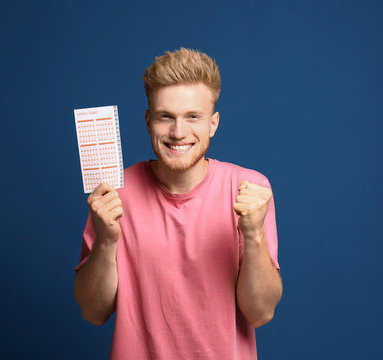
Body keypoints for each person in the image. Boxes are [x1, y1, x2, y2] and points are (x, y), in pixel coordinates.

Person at [73, 47, 282, 359]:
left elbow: (261, 313)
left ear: (213, 123)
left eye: (193, 117)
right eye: (165, 117)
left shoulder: (249, 190)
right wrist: (105, 241)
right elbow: (93, 312)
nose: (178, 132)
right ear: (148, 121)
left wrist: (253, 235)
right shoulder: (116, 192)